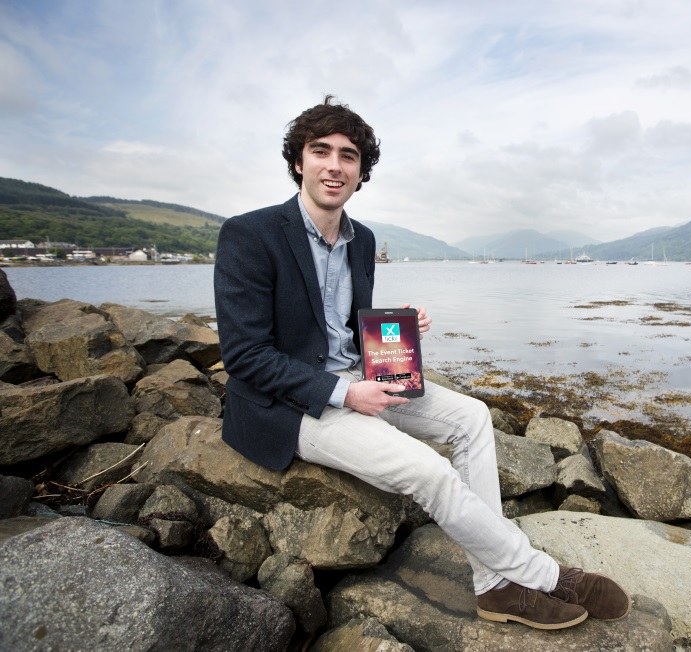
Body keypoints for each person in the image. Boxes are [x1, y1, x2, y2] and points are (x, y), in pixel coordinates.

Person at [213, 95, 630, 630]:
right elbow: (246, 356)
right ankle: (545, 575)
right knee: (428, 469)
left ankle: (494, 585)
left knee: (474, 418)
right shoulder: (249, 235)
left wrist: (394, 330)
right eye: (321, 151)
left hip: (363, 377)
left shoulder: (361, 240)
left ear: (362, 172)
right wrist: (344, 394)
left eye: (349, 156)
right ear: (299, 161)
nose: (334, 165)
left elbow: (335, 327)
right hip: (292, 406)